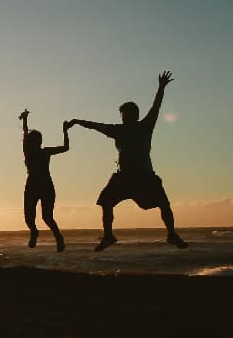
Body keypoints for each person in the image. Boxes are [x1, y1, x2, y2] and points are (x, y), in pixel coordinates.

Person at [68, 71, 188, 251]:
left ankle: (171, 234)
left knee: (164, 204)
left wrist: (161, 88)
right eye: (122, 115)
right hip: (123, 177)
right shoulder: (117, 130)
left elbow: (156, 107)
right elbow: (96, 126)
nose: (123, 118)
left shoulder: (145, 126)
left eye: (126, 114)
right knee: (106, 202)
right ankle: (108, 236)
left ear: (135, 115)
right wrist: (77, 121)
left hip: (144, 176)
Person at [19, 109, 70, 251]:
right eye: (35, 140)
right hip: (32, 185)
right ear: (31, 142)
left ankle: (59, 238)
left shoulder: (45, 151)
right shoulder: (27, 151)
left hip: (46, 185)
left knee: (47, 217)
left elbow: (65, 148)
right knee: (29, 217)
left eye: (39, 140)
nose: (38, 142)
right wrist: (24, 120)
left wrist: (65, 131)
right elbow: (24, 133)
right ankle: (34, 232)